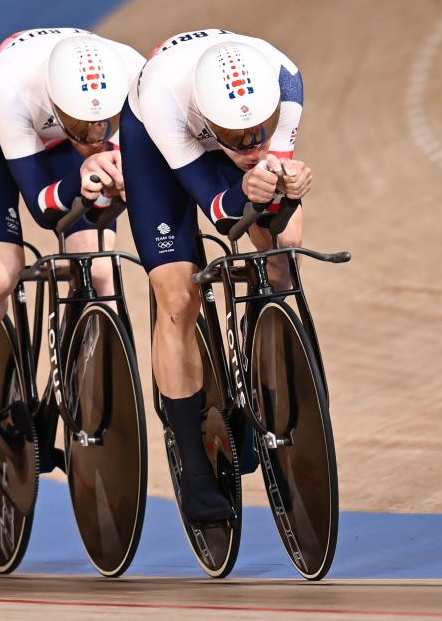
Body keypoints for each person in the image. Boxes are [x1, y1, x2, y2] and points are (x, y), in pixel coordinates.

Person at [118, 29, 311, 522]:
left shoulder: (286, 82)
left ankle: (261, 368)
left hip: (215, 130)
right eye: (238, 139)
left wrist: (288, 186)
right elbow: (222, 212)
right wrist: (250, 185)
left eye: (260, 134)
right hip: (160, 146)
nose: (252, 146)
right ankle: (193, 467)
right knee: (178, 297)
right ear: (209, 120)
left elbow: (273, 196)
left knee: (284, 256)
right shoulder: (165, 98)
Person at [0, 28, 144, 453]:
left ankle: (72, 393)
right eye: (83, 127)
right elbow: (42, 206)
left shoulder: (135, 75)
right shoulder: (11, 86)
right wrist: (82, 177)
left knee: (102, 270)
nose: (94, 136)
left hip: (59, 133)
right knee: (0, 275)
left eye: (103, 126)